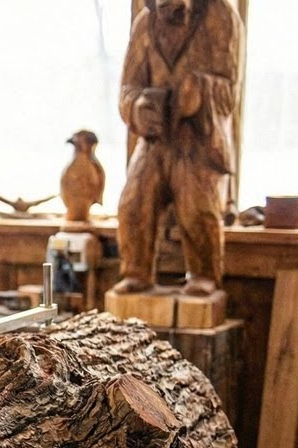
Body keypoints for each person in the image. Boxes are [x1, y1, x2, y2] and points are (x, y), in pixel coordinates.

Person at [114, 0, 242, 297]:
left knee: (198, 205)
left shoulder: (221, 17)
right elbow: (127, 89)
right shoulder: (144, 24)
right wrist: (137, 107)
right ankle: (137, 271)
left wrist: (200, 91)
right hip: (155, 139)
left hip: (199, 139)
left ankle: (204, 273)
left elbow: (229, 92)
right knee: (134, 200)